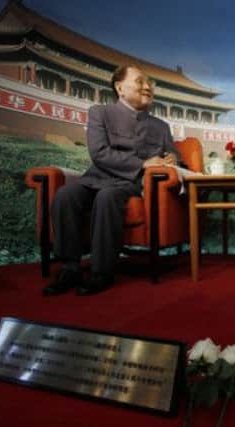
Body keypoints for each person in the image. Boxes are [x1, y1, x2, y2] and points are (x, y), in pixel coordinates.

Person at [42, 64, 179, 296]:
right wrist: (143, 163)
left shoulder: (161, 126)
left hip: (128, 184)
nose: (147, 87)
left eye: (150, 83)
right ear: (120, 88)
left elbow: (175, 157)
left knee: (107, 197)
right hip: (95, 178)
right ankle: (70, 267)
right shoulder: (100, 113)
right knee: (65, 195)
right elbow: (99, 153)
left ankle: (101, 272)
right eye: (140, 81)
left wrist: (173, 157)